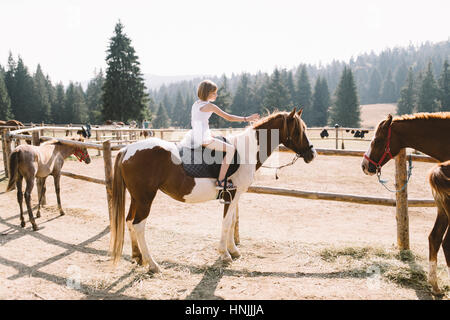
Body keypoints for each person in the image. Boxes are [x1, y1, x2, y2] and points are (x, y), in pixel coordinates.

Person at [180, 80, 259, 189]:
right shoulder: (210, 106)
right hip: (203, 139)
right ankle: (221, 180)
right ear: (207, 93)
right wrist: (247, 118)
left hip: (194, 135)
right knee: (231, 149)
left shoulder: (196, 104)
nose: (216, 95)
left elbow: (200, 122)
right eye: (214, 93)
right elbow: (229, 117)